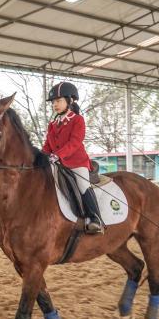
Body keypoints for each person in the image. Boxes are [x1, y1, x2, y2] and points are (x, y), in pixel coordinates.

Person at [43, 82, 103, 234]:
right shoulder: (52, 124)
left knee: (83, 185)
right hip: (57, 163)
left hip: (76, 162)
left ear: (70, 101)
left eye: (58, 101)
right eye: (53, 102)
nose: (55, 105)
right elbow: (47, 146)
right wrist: (40, 157)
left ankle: (95, 219)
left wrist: (57, 155)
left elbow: (75, 142)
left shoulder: (78, 120)